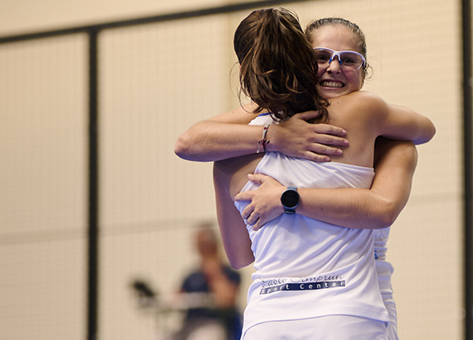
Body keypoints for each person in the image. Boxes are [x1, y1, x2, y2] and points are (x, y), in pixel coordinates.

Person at [175, 14, 429, 340]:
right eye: (321, 57)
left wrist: (285, 196)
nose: (334, 68)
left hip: (267, 317)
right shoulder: (368, 113)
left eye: (348, 59)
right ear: (301, 61)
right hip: (347, 307)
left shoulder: (227, 154)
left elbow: (239, 256)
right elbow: (425, 131)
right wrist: (273, 135)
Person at [172, 223, 242, 340]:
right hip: (189, 324)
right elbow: (175, 299)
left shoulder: (231, 274)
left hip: (213, 324)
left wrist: (213, 272)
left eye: (205, 246)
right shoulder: (191, 276)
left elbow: (227, 301)